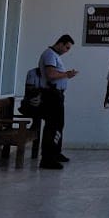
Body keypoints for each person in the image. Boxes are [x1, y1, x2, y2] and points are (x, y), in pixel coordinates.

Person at [38, 34, 78, 169]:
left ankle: (56, 152)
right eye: (66, 47)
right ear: (60, 43)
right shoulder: (50, 55)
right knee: (52, 126)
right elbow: (50, 75)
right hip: (51, 95)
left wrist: (66, 75)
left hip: (57, 94)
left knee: (58, 125)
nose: (66, 51)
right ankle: (47, 158)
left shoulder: (55, 56)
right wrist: (66, 74)